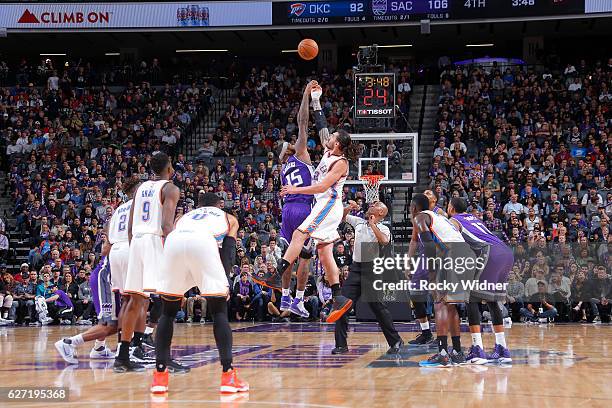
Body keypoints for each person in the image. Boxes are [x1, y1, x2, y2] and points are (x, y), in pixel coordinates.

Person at [152, 193, 248, 394]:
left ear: (198, 206)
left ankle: (159, 377)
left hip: (174, 242)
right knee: (219, 311)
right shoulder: (228, 217)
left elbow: (168, 233)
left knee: (167, 313)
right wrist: (225, 280)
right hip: (203, 243)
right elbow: (229, 249)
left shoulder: (184, 217)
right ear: (218, 205)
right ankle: (228, 376)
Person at [274, 99, 358, 323]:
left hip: (328, 204)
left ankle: (277, 274)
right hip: (323, 205)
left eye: (332, 137)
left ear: (338, 144)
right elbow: (321, 124)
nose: (328, 138)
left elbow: (322, 187)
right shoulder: (329, 152)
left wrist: (295, 188)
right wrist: (316, 101)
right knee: (324, 252)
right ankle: (339, 297)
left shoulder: (340, 163)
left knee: (299, 235)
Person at [251, 81, 317, 320]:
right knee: (304, 257)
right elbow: (302, 122)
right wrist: (305, 94)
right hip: (301, 210)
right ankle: (297, 300)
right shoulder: (297, 156)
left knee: (290, 255)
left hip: (288, 211)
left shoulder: (286, 164)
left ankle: (287, 298)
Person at [119, 152, 182, 373]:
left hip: (135, 242)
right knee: (169, 300)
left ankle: (122, 356)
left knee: (134, 302)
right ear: (169, 167)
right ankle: (164, 359)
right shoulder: (170, 188)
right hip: (154, 241)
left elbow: (129, 227)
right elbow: (166, 225)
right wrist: (177, 251)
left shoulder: (140, 189)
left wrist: (134, 249)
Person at [332, 200, 403, 355]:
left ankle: (395, 340)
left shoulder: (383, 227)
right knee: (342, 306)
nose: (371, 205)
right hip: (356, 268)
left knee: (378, 308)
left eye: (375, 205)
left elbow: (384, 241)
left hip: (372, 270)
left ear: (380, 213)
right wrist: (348, 208)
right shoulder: (358, 221)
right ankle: (341, 345)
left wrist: (372, 225)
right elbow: (343, 218)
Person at [448, 197, 514, 364]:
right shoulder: (474, 218)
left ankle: (477, 349)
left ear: (451, 207)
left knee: (471, 299)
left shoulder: (454, 220)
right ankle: (502, 349)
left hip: (489, 253)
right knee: (492, 301)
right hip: (506, 253)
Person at [409, 193, 472, 367]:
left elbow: (428, 245)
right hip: (465, 257)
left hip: (450, 256)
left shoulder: (421, 217)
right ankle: (457, 351)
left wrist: (431, 274)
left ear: (414, 207)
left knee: (440, 304)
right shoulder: (440, 218)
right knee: (450, 306)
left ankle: (443, 353)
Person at [55, 234, 118, 364]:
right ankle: (68, 342)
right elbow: (105, 246)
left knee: (119, 319)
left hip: (112, 278)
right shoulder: (122, 234)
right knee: (112, 323)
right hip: (106, 278)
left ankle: (99, 348)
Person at [107, 176, 151, 361]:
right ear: (138, 189)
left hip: (115, 250)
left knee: (126, 301)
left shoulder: (118, 209)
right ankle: (136, 347)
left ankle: (121, 345)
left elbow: (107, 234)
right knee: (141, 300)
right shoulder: (140, 204)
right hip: (130, 247)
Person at [407, 190, 445, 345]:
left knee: (440, 297)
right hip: (425, 256)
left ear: (435, 199)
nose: (427, 194)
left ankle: (442, 337)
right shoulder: (418, 217)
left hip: (438, 255)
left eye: (430, 193)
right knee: (415, 294)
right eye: (425, 193)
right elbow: (414, 240)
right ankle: (426, 332)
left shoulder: (439, 213)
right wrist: (408, 262)